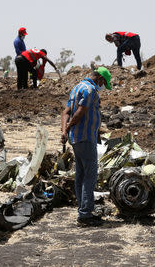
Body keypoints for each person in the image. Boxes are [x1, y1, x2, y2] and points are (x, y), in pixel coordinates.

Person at [61, 67, 112, 227]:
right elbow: (80, 112)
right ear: (100, 79)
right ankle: (85, 215)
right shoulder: (91, 90)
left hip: (76, 139)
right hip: (85, 137)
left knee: (81, 175)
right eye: (104, 83)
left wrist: (65, 131)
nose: (103, 86)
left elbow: (66, 112)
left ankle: (83, 209)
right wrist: (68, 127)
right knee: (90, 175)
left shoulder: (77, 87)